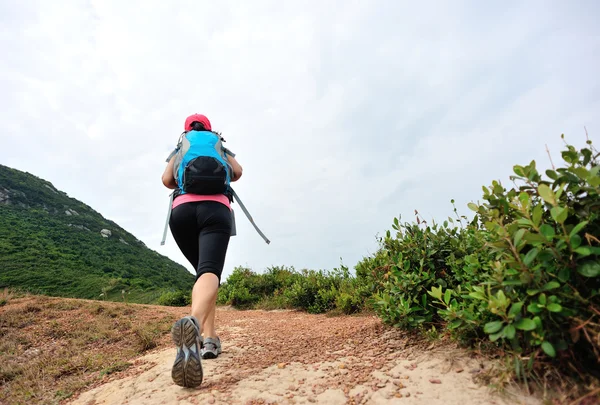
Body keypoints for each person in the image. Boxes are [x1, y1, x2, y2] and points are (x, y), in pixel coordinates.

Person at [161, 113, 243, 388]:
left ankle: (210, 340)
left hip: (181, 212)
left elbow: (166, 180)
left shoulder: (180, 146)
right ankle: (194, 324)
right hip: (215, 210)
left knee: (203, 276)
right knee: (210, 272)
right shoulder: (218, 143)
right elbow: (238, 172)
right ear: (209, 129)